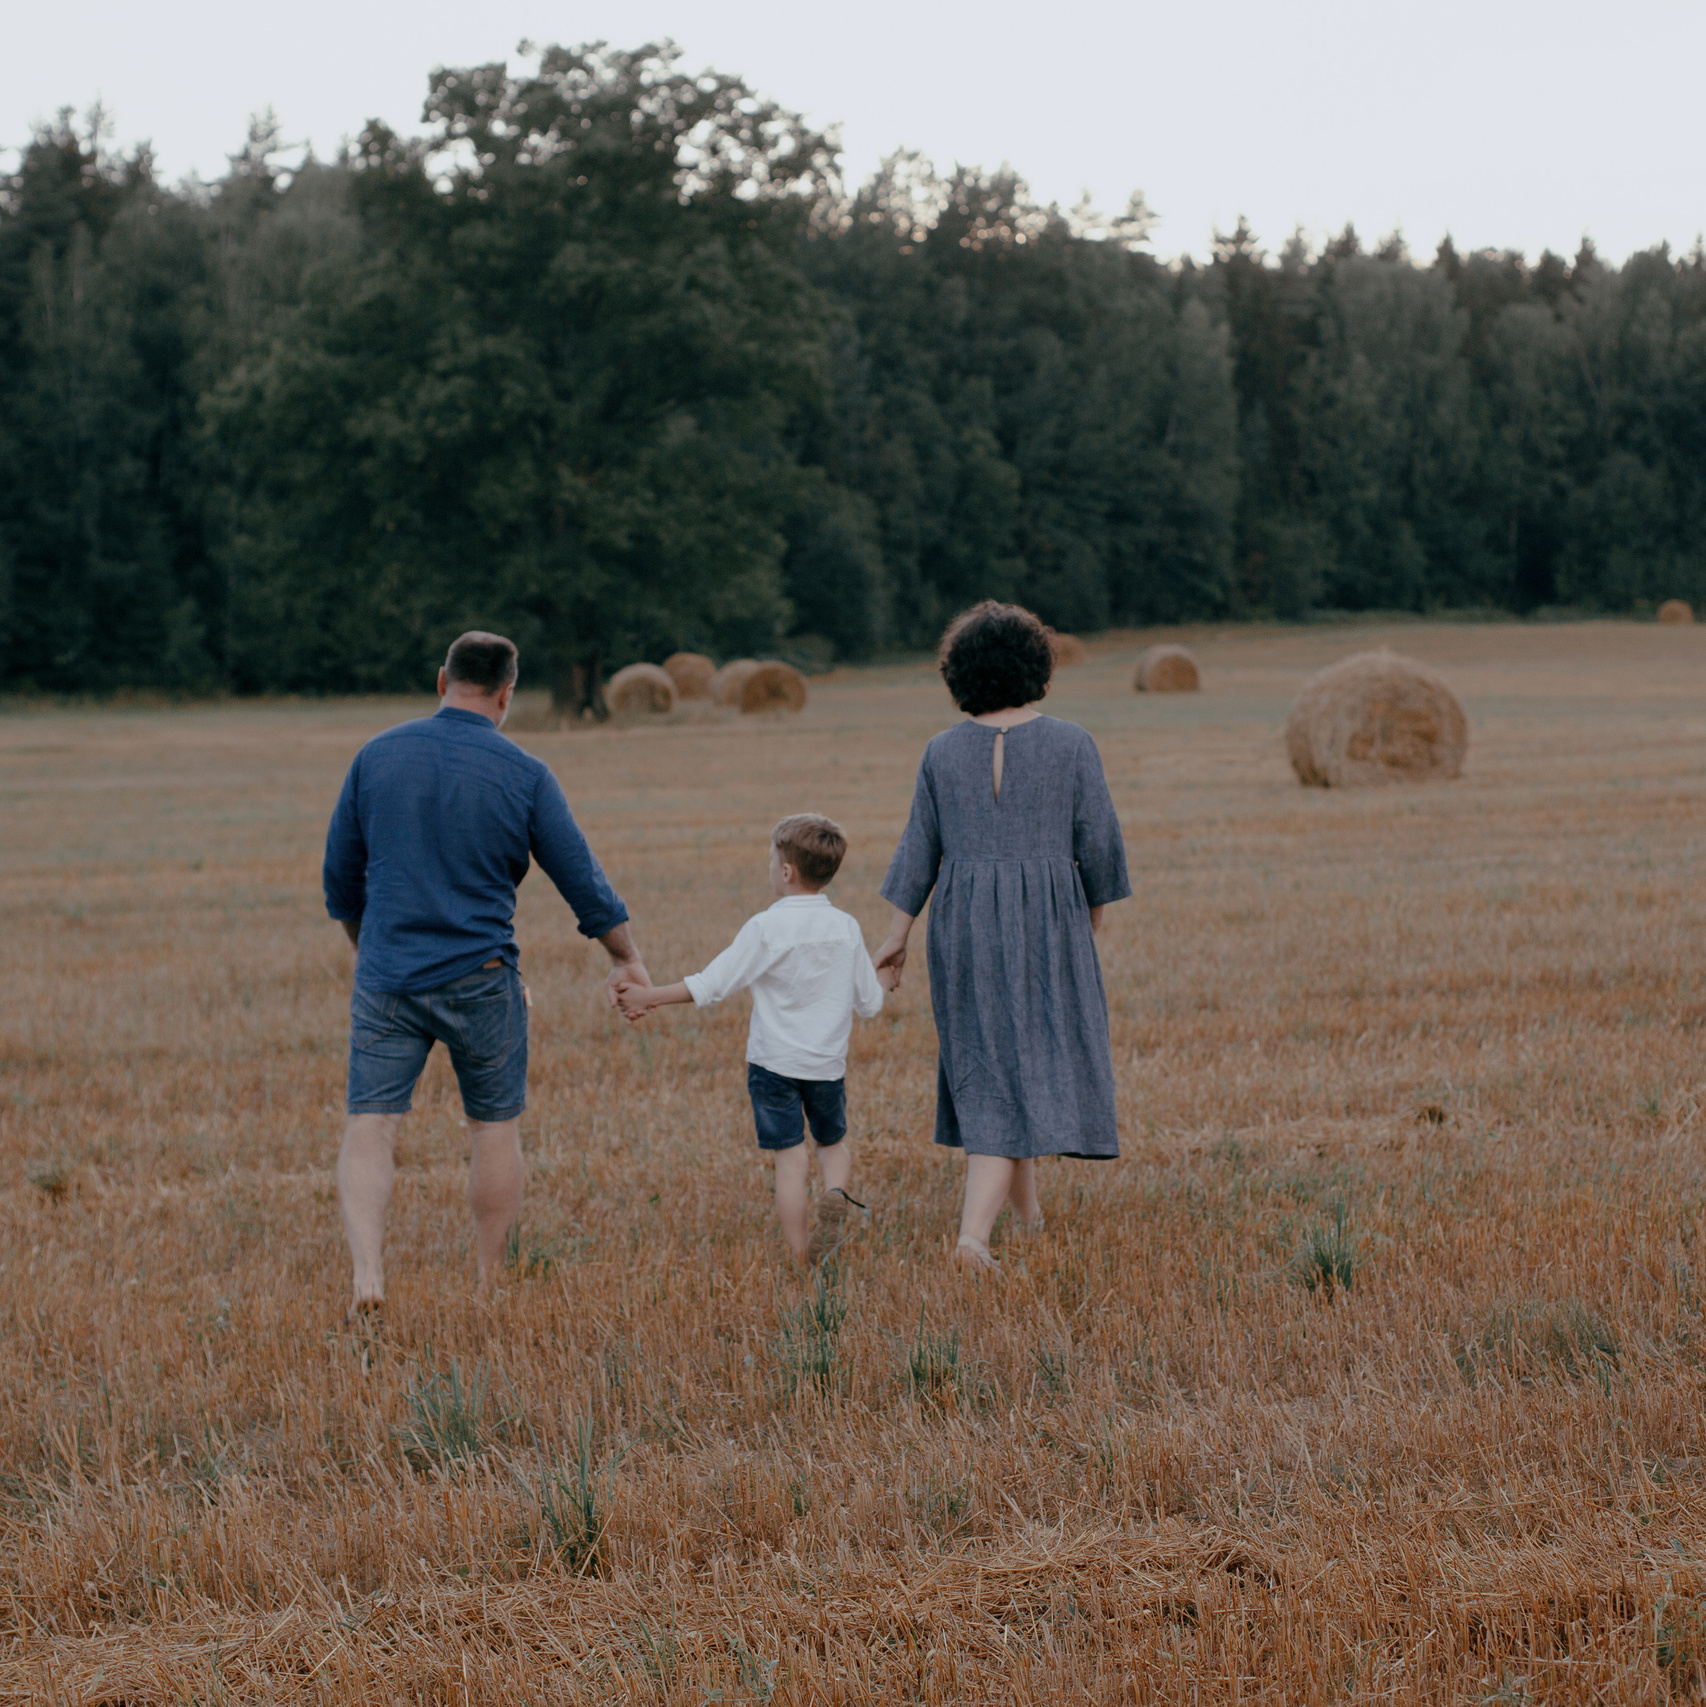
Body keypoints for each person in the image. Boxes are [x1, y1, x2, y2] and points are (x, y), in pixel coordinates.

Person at [322, 631, 649, 1314]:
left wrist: (369, 950)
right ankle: (488, 1287)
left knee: (370, 1127)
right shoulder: (525, 771)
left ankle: (367, 1280)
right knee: (493, 1128)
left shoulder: (375, 756)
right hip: (483, 975)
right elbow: (581, 880)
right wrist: (625, 954)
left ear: (442, 681)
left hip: (388, 976)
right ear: (506, 694)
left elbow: (340, 882)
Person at [873, 602, 1130, 1272]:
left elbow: (916, 851)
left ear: (959, 673)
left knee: (993, 1060)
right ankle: (972, 1238)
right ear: (1035, 664)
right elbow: (1099, 843)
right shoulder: (1072, 743)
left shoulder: (940, 750)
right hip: (1047, 921)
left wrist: (895, 936)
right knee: (1025, 1062)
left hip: (962, 926)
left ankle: (1030, 1218)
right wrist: (1090, 920)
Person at [615, 814, 893, 1265]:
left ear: (787, 871)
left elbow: (712, 984)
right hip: (826, 1066)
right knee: (831, 1144)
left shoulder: (767, 927)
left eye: (771, 859)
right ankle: (836, 1192)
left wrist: (650, 995)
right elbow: (870, 1003)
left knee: (789, 1158)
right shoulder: (846, 928)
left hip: (774, 1066)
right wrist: (883, 976)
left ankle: (800, 1254)